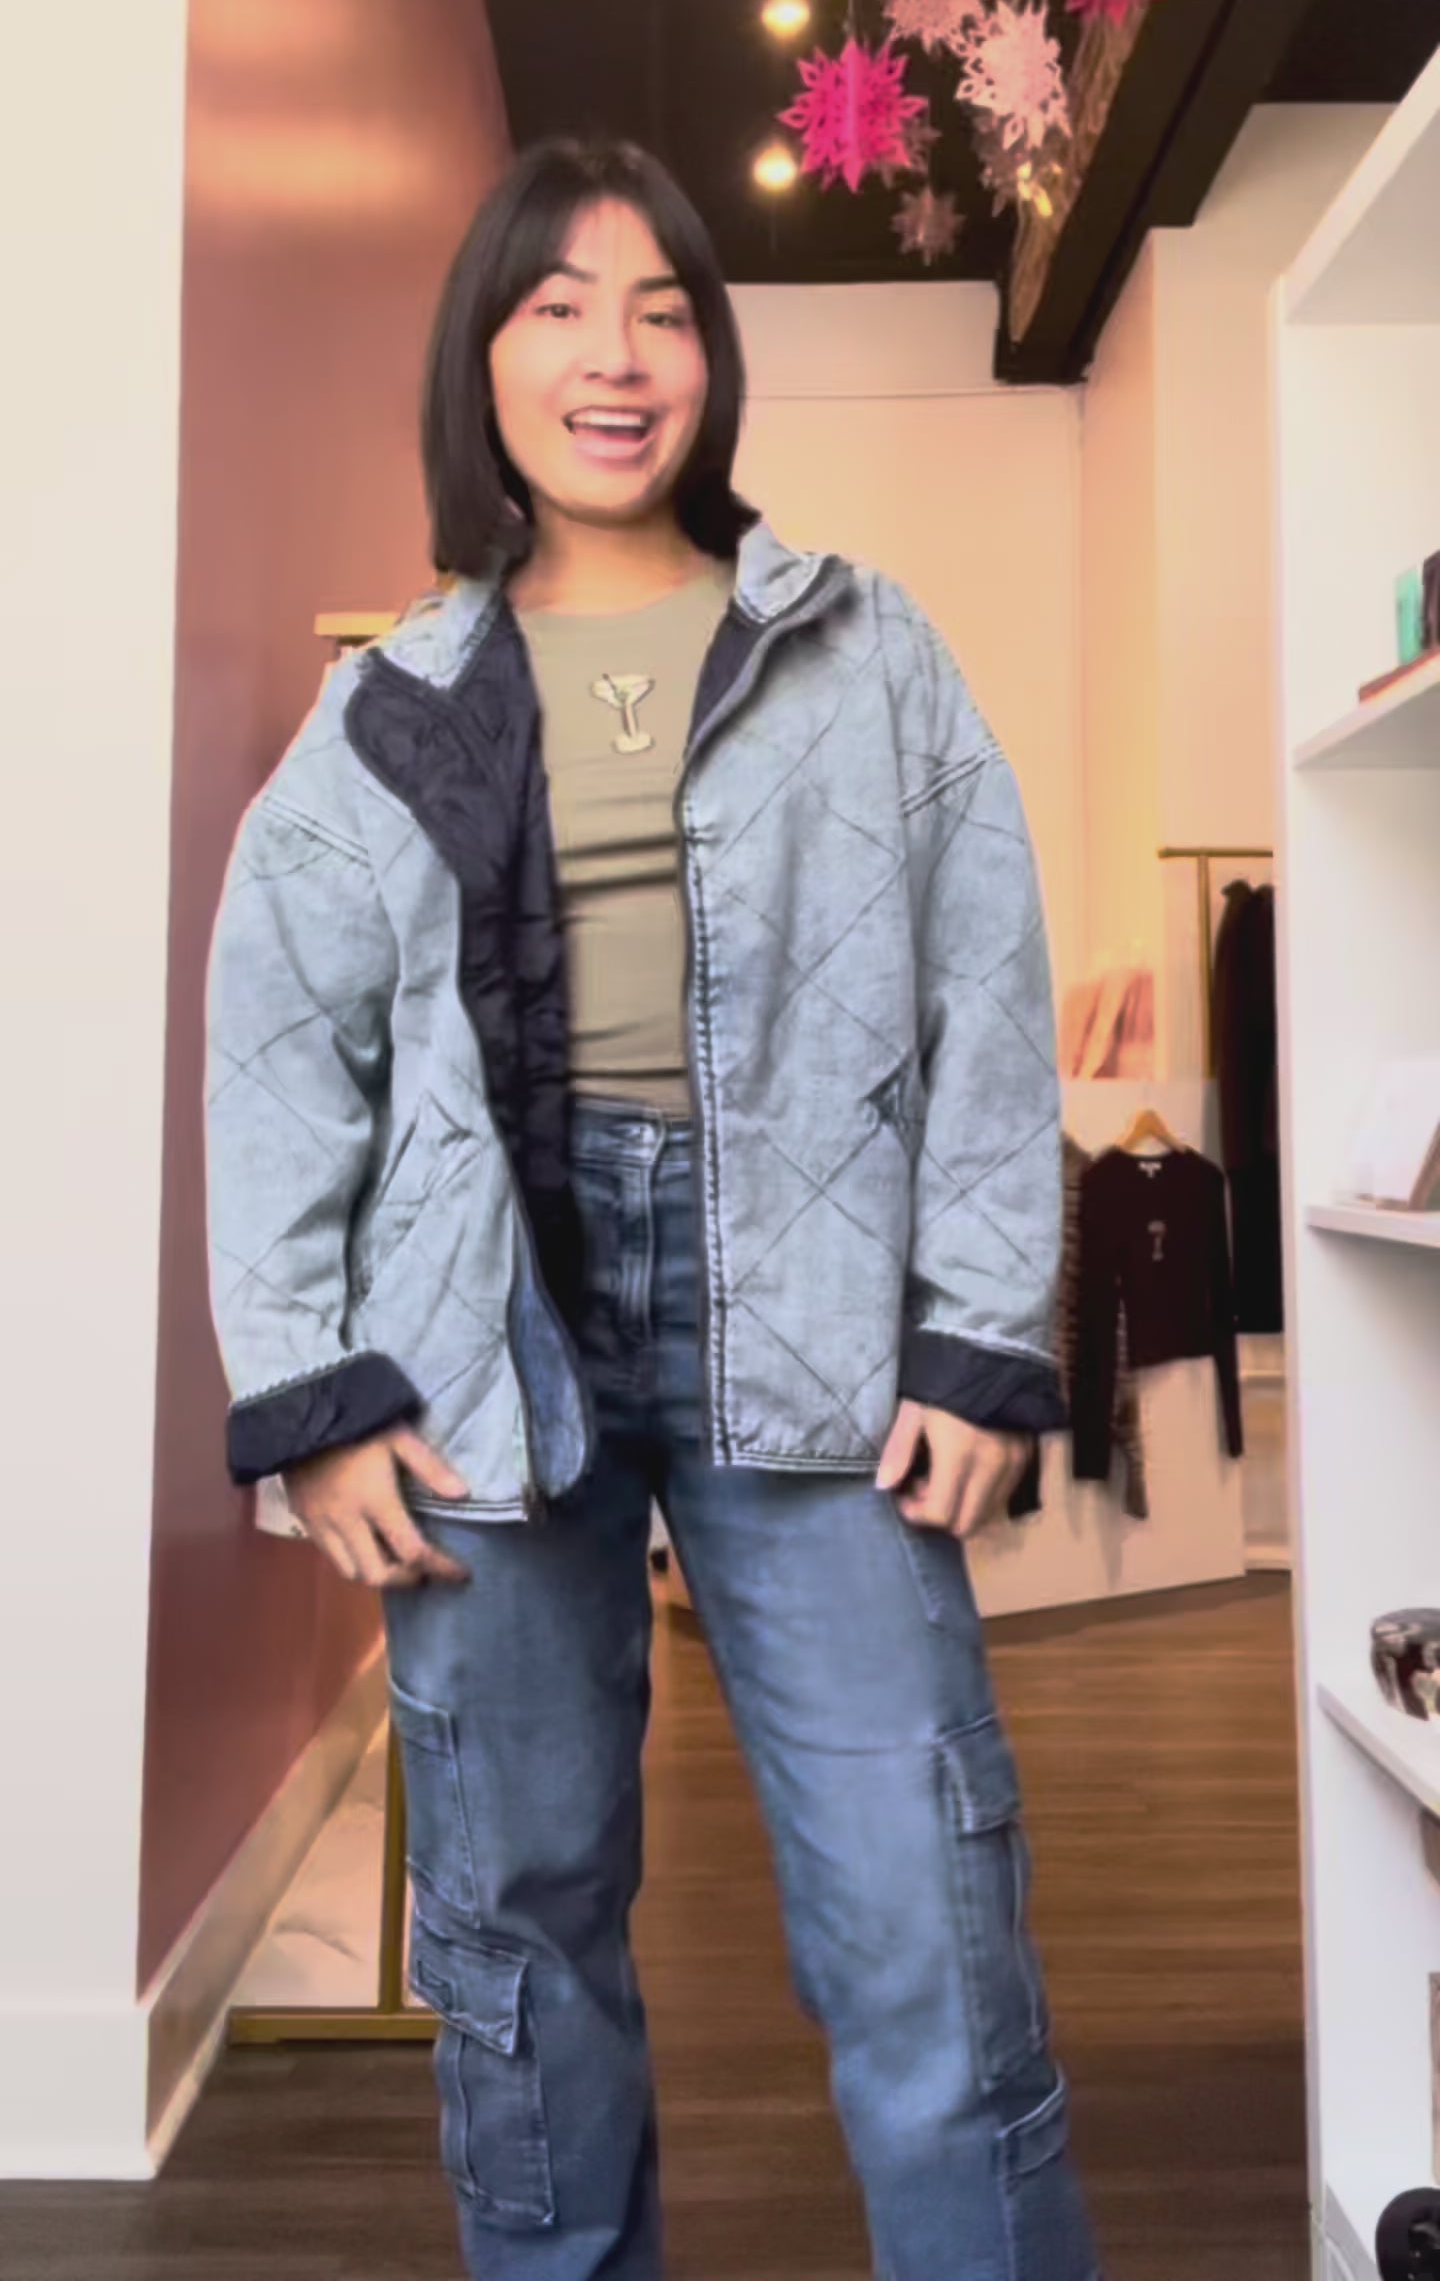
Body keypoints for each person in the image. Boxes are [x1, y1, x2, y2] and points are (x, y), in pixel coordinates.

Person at [205, 137, 1100, 2281]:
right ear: (483, 359)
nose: (617, 357)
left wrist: (980, 1329)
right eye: (559, 308)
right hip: (477, 1333)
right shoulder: (386, 708)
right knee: (516, 1926)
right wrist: (313, 1391)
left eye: (664, 310)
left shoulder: (864, 647)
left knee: (925, 1904)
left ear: (714, 357)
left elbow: (987, 986)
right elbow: (279, 1050)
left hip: (816, 1310)